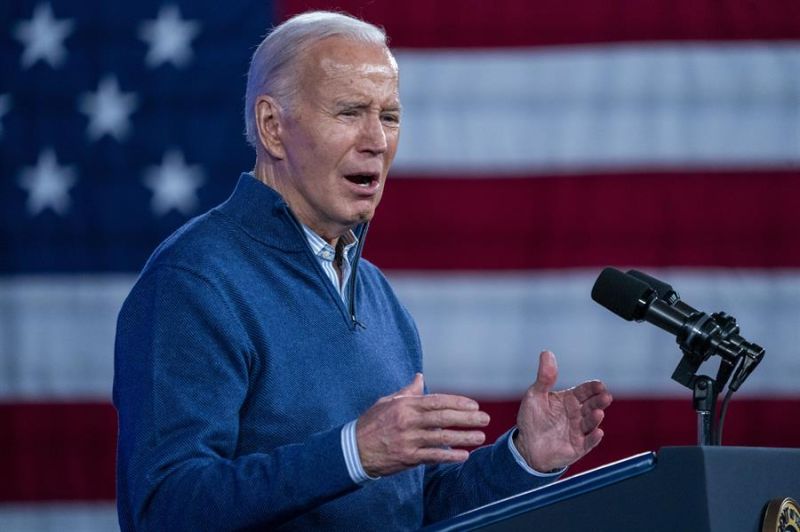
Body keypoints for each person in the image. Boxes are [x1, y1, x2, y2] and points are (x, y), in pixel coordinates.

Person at [114, 11, 612, 531]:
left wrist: (524, 460)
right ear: (272, 127)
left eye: (390, 116)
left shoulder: (377, 295)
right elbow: (165, 508)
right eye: (350, 112)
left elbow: (409, 508)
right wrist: (354, 451)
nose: (376, 139)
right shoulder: (194, 281)